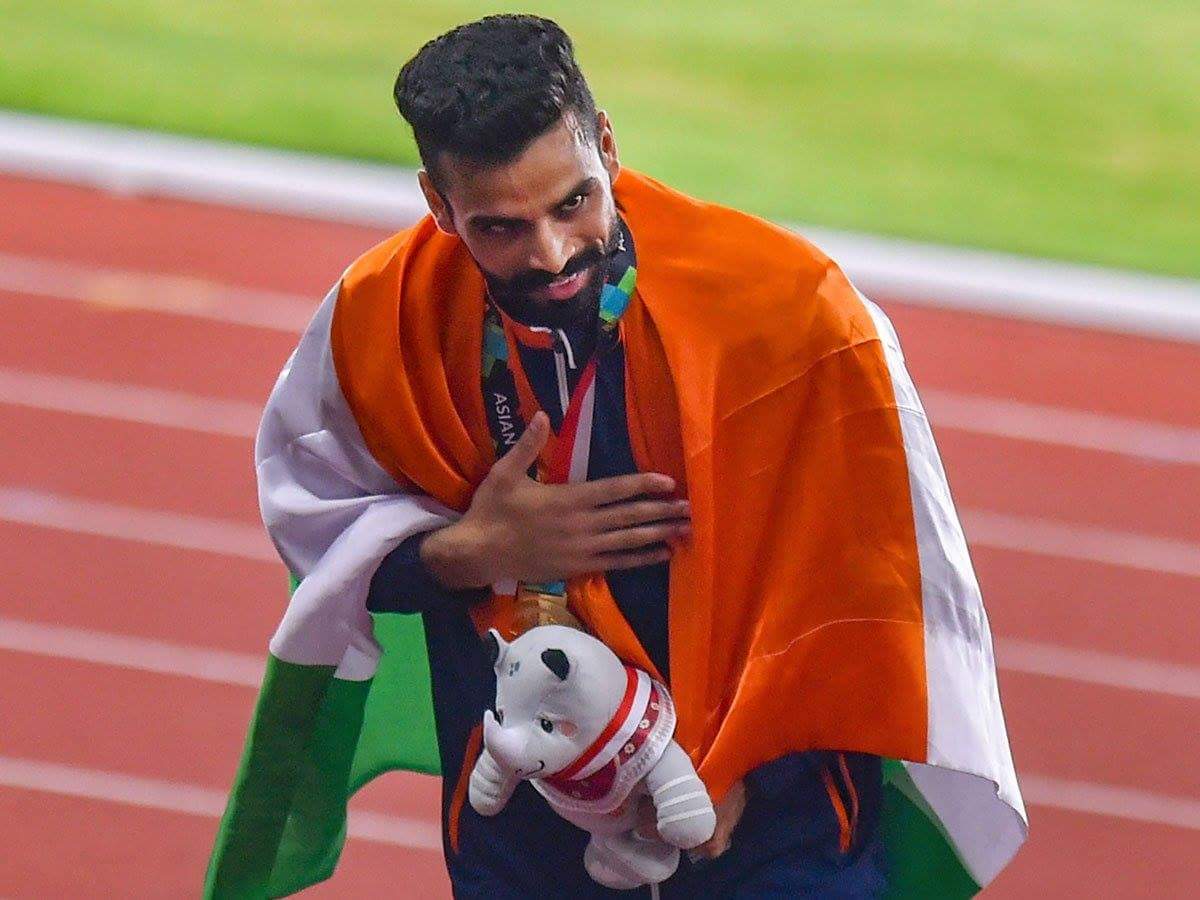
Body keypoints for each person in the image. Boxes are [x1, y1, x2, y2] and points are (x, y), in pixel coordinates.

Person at [208, 14, 1025, 899]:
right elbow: (318, 525)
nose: (552, 254)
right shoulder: (383, 320)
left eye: (573, 203)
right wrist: (467, 553)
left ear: (606, 143)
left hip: (771, 820)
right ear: (438, 204)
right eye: (500, 228)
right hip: (527, 821)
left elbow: (882, 580)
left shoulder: (791, 312)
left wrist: (737, 767)